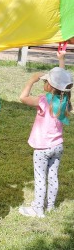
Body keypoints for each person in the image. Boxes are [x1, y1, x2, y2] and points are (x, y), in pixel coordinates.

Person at [18, 50, 72, 218]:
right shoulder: (65, 101)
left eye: (46, 81)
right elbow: (61, 83)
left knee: (40, 177)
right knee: (53, 176)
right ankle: (50, 207)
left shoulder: (43, 100)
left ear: (49, 85)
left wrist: (31, 80)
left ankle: (38, 209)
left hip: (42, 148)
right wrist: (61, 60)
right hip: (57, 146)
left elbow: (23, 98)